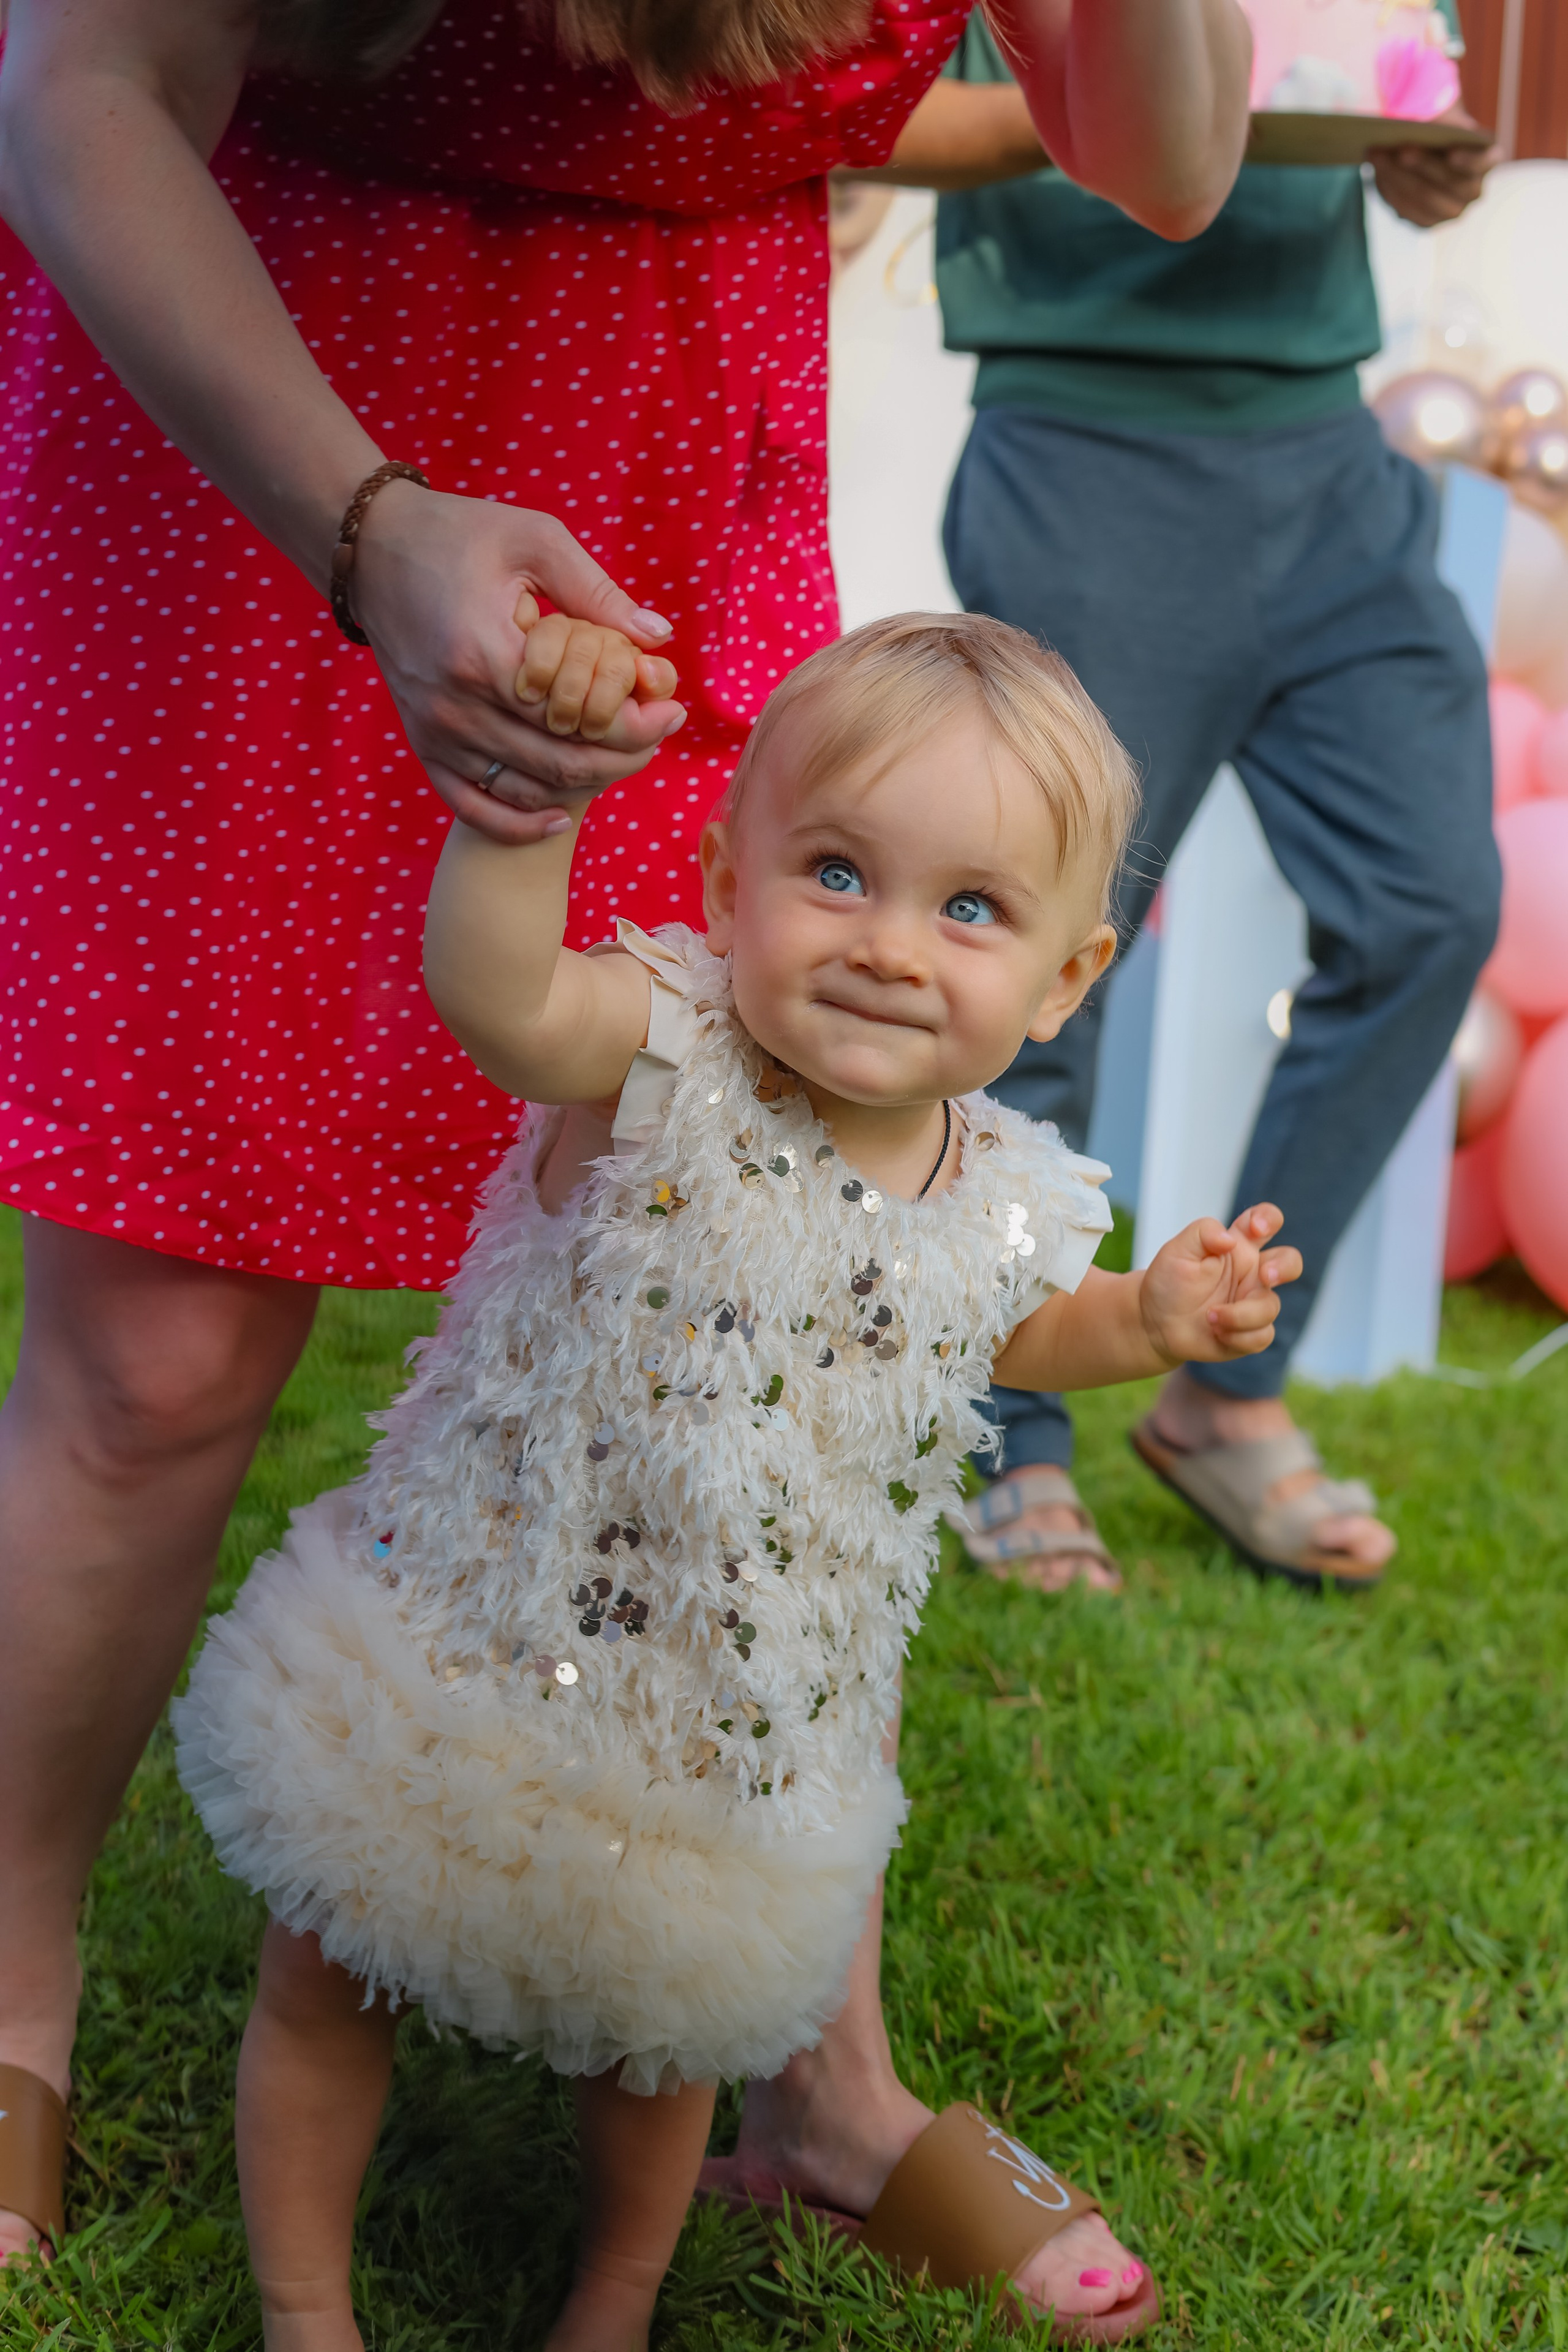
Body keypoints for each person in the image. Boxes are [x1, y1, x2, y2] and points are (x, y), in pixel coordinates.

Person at [0, 0, 1255, 2278]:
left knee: (779, 1307)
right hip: (262, 406)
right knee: (159, 1355)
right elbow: (78, 92)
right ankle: (7, 1999)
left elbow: (1164, 162)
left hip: (666, 473)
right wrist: (365, 528)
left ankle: (821, 2080)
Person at [172, 608, 1301, 2350]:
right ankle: (302, 2310)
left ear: (1069, 978)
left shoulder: (1000, 1190)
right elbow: (501, 1002)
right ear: (723, 876)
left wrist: (1147, 1316)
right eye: (837, 872)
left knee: (661, 2046)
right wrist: (513, 831)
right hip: (468, 1631)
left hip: (729, 1721)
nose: (890, 948)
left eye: (971, 909)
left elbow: (1018, 1331)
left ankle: (612, 2300)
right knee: (330, 1977)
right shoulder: (660, 1051)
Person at [862, 10, 1501, 1593]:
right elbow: (858, 116)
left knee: (1433, 904)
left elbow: (1380, 104)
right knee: (1044, 962)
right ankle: (1010, 1417)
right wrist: (1114, 127)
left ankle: (1227, 1391)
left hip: (1328, 449)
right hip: (1083, 447)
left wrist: (1413, 155)